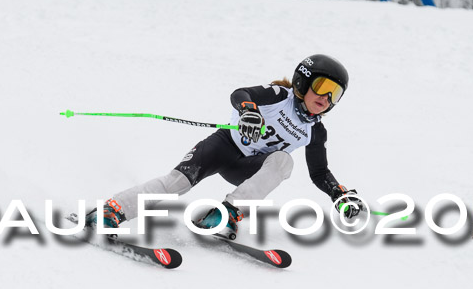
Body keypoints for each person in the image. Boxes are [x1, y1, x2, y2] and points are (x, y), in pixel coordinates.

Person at [86, 54, 364, 239]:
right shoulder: (280, 95)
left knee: (283, 161)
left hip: (247, 169)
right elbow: (240, 94)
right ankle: (112, 211)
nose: (327, 98)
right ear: (304, 81)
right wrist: (248, 110)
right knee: (176, 184)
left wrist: (338, 194)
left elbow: (319, 172)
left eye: (335, 94)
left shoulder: (315, 130)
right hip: (222, 147)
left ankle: (225, 214)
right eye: (323, 87)